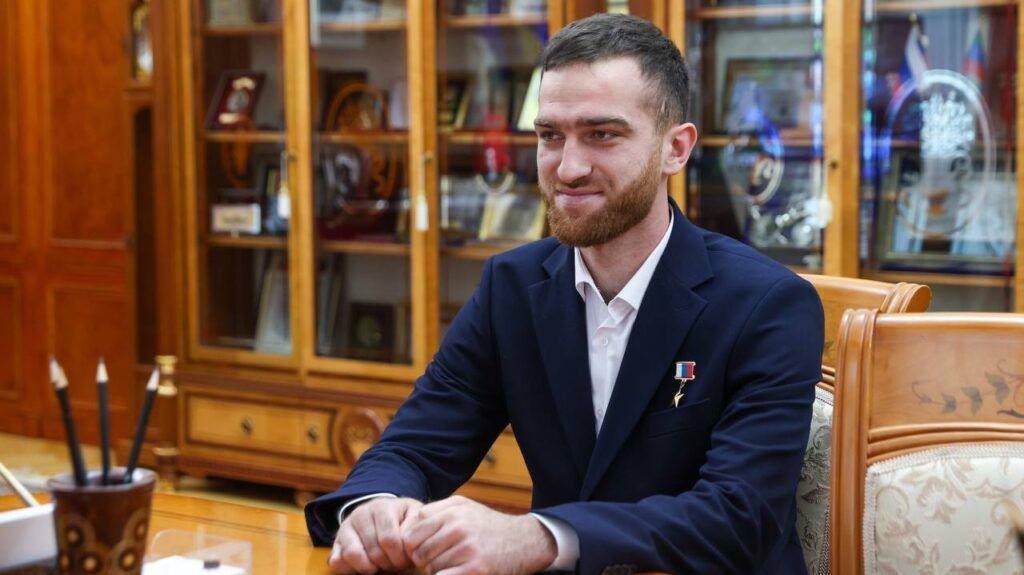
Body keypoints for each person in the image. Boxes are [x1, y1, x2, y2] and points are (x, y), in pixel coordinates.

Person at [306, 13, 824, 574]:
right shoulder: (511, 288)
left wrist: (539, 537)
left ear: (675, 149)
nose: (568, 168)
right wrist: (375, 506)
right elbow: (414, 445)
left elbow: (738, 516)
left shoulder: (767, 305)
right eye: (550, 136)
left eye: (602, 135)